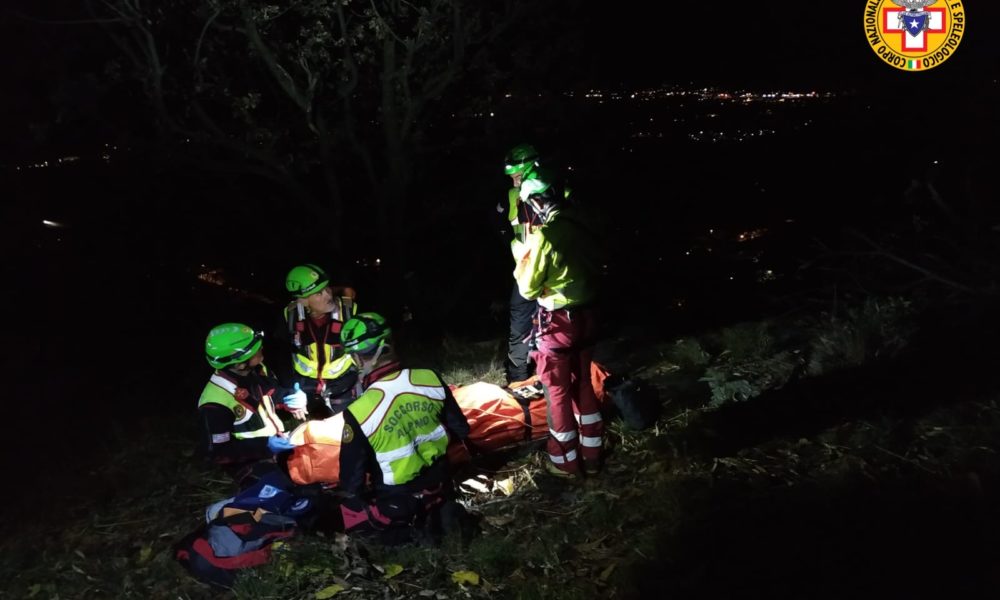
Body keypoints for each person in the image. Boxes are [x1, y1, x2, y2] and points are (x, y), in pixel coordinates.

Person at [336, 312, 472, 543]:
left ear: (358, 359)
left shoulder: (359, 411)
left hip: (397, 496)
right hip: (441, 480)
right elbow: (461, 430)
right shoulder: (429, 378)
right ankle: (441, 513)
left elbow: (351, 480)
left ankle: (413, 533)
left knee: (349, 515)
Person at [514, 170, 604, 478]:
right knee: (583, 383)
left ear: (537, 202)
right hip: (589, 317)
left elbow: (527, 288)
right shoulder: (585, 224)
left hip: (557, 325)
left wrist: (521, 259)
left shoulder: (546, 237)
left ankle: (565, 463)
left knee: (557, 391)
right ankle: (593, 453)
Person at [198, 322, 309, 487]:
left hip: (277, 444)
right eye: (256, 350)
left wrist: (289, 398)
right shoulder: (215, 403)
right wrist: (265, 445)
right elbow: (219, 452)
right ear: (239, 363)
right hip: (249, 462)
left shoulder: (255, 370)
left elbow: (270, 391)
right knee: (283, 498)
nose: (261, 349)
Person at [281, 264, 359, 419]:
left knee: (346, 429)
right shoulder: (290, 315)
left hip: (342, 385)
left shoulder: (349, 311)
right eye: (318, 294)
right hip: (306, 387)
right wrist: (291, 389)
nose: (328, 295)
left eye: (327, 288)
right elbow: (281, 352)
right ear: (302, 300)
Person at [501, 143, 545, 391]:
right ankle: (518, 378)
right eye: (511, 177)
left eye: (517, 175)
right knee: (519, 323)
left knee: (549, 325)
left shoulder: (557, 191)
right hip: (525, 271)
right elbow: (516, 223)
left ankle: (547, 372)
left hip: (549, 272)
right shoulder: (513, 195)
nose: (514, 181)